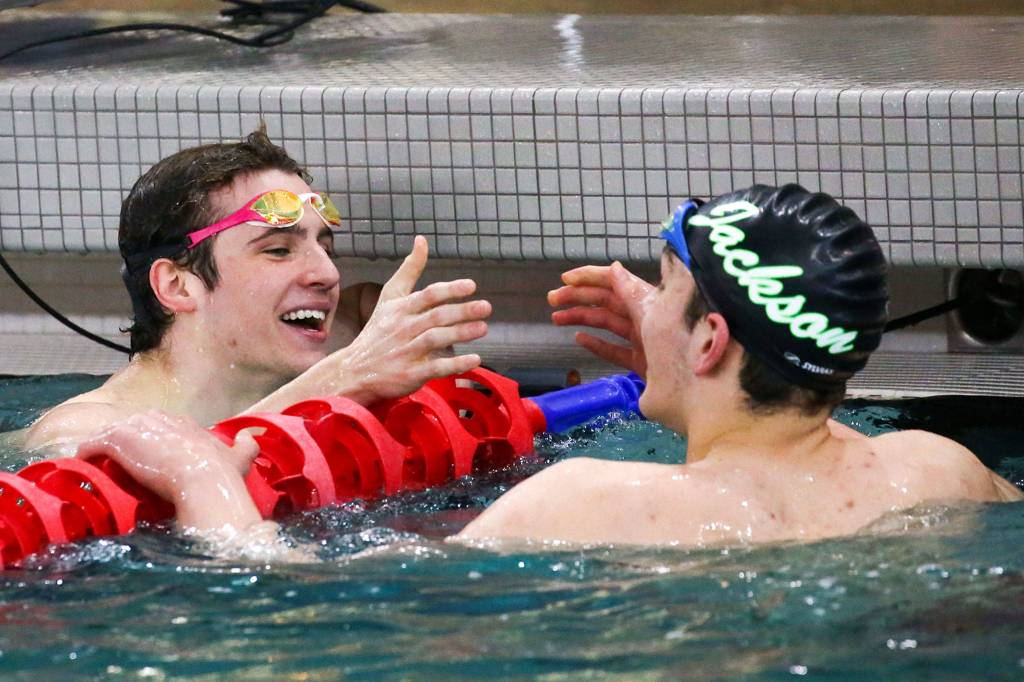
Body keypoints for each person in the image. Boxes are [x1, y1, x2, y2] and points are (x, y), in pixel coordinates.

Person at [455, 183, 1022, 546]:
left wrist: (359, 380)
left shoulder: (578, 502)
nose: (647, 307)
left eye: (664, 287)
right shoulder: (943, 472)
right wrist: (687, 386)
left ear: (710, 342)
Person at [21, 129, 492, 460]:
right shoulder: (81, 433)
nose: (326, 273)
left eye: (324, 246)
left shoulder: (351, 336)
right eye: (278, 250)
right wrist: (345, 378)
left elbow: (367, 309)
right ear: (177, 285)